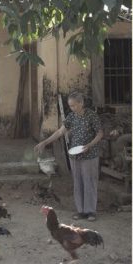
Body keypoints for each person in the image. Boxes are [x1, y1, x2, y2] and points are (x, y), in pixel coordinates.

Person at [34, 91, 103, 221]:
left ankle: (91, 211)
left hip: (90, 154)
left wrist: (89, 145)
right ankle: (81, 211)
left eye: (74, 105)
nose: (72, 108)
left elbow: (100, 134)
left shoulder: (92, 116)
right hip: (75, 155)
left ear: (81, 103)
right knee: (78, 182)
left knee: (89, 181)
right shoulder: (71, 117)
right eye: (70, 106)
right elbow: (60, 131)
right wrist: (45, 142)